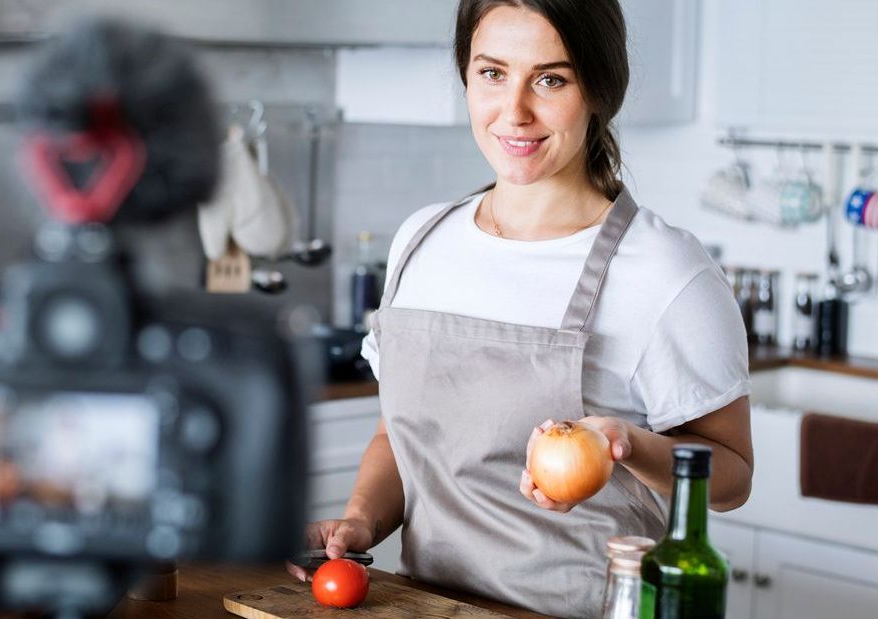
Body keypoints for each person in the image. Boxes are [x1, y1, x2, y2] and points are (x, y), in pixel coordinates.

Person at [286, 1, 754, 617]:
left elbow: (733, 478)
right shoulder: (422, 240)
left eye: (550, 79)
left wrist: (625, 444)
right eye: (491, 73)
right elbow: (399, 435)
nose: (514, 112)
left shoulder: (666, 272)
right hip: (428, 606)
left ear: (600, 90)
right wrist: (359, 523)